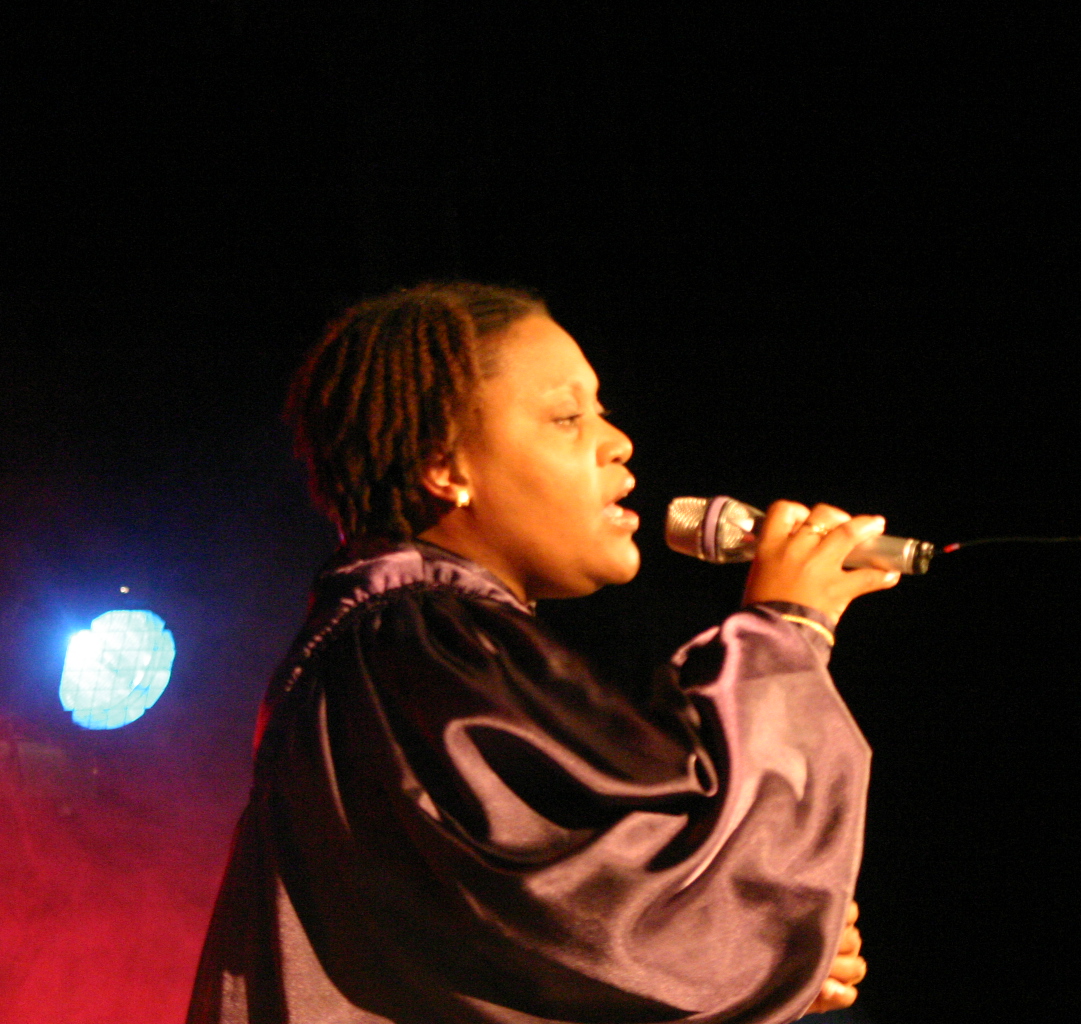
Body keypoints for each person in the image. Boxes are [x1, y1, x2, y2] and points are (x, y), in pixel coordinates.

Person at [186, 282, 898, 1024]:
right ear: (445, 467)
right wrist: (786, 632)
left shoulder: (398, 644)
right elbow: (610, 919)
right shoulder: (416, 640)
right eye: (566, 418)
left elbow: (524, 955)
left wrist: (759, 956)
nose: (617, 442)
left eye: (602, 410)